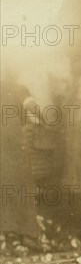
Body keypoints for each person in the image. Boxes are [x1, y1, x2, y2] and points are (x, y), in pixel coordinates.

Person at [0, 65, 40, 249]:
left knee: (15, 188)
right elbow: (33, 110)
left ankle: (17, 235)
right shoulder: (16, 88)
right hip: (12, 147)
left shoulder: (15, 88)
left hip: (13, 148)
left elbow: (31, 108)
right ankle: (20, 235)